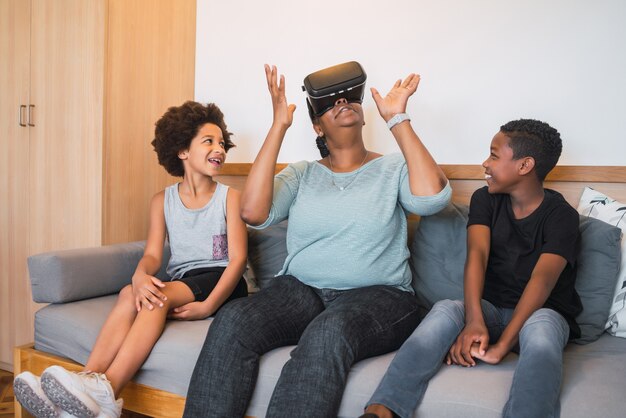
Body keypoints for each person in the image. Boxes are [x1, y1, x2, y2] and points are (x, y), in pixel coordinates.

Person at [182, 62, 451, 418]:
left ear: (364, 113)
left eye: (350, 96)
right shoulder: (303, 174)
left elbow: (433, 199)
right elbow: (253, 212)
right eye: (329, 102)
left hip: (380, 296)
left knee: (329, 331)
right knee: (234, 319)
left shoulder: (394, 168)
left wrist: (397, 119)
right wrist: (278, 126)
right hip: (300, 291)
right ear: (317, 125)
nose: (342, 101)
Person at [13, 101, 249, 418]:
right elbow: (152, 254)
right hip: (186, 279)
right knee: (130, 293)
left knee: (156, 297)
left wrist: (207, 306)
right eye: (209, 141)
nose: (219, 148)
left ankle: (108, 391)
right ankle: (84, 385)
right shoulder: (161, 201)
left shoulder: (229, 198)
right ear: (182, 151)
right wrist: (138, 277)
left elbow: (237, 260)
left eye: (222, 143)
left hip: (223, 280)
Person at [361, 119, 582, 418]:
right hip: (492, 310)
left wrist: (503, 344)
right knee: (445, 309)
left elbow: (541, 282)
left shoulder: (562, 217)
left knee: (542, 331)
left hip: (539, 313)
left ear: (525, 165)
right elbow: (476, 255)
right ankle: (382, 410)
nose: (485, 163)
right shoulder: (485, 199)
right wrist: (474, 320)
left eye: (493, 155)